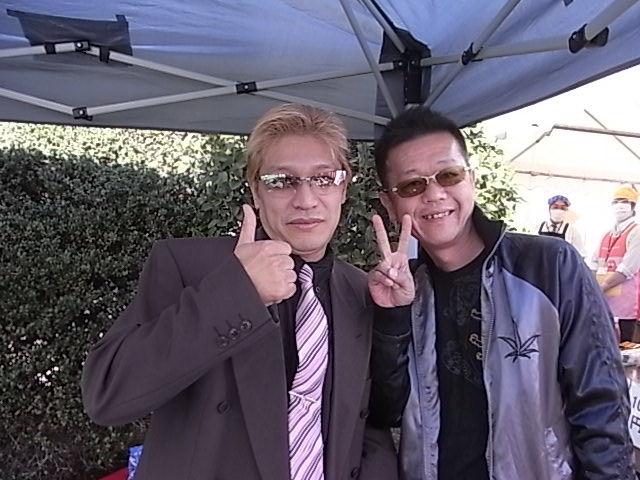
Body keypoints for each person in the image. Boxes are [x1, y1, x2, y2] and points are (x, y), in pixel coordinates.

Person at [81, 104, 401, 480]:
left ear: (343, 188)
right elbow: (107, 395)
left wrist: (393, 319)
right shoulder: (189, 266)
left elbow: (366, 423)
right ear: (256, 190)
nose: (306, 199)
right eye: (282, 181)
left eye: (324, 178)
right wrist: (237, 293)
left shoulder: (359, 289)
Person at [368, 106, 634, 480]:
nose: (435, 194)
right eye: (413, 185)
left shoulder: (550, 266)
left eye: (448, 175)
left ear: (471, 179)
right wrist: (392, 318)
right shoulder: (404, 292)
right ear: (390, 203)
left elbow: (601, 404)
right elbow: (386, 410)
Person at [591, 186, 640, 343]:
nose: (620, 205)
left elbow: (628, 268)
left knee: (626, 347)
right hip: (605, 302)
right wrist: (590, 285)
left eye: (624, 201)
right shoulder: (607, 234)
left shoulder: (636, 232)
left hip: (627, 305)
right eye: (616, 201)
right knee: (604, 344)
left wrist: (601, 287)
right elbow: (593, 263)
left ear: (633, 206)